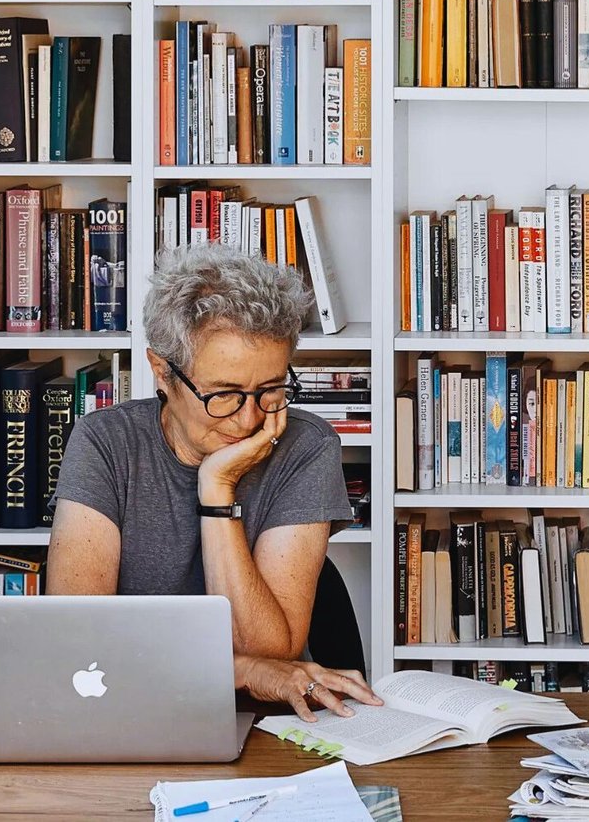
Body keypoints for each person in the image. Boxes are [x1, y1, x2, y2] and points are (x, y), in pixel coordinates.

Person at [48, 243, 381, 723]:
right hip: (124, 710)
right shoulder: (105, 443)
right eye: (224, 394)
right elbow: (78, 639)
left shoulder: (306, 447)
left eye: (270, 390)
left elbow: (271, 648)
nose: (249, 420)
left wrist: (217, 493)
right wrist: (243, 671)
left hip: (271, 724)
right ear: (162, 372)